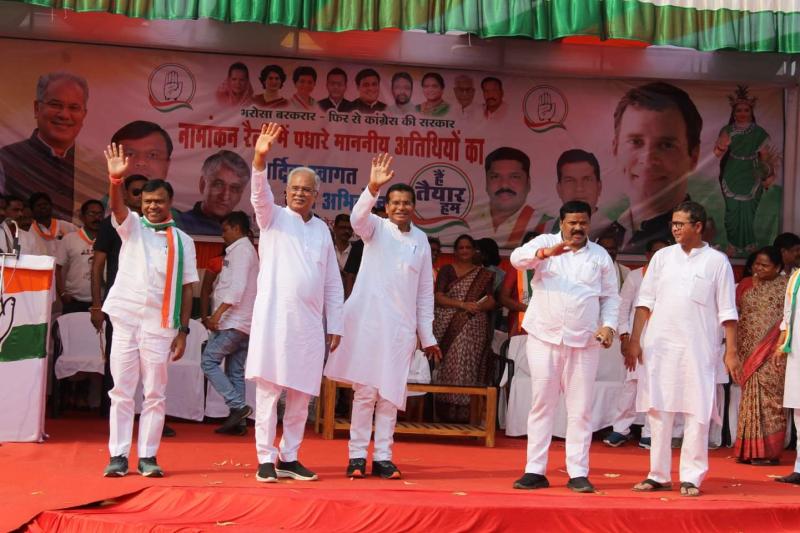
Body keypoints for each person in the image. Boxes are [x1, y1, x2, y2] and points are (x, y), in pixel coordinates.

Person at [325, 153, 441, 479]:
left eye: (407, 203)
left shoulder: (420, 241)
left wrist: (427, 336)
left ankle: (385, 457)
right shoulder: (375, 228)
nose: (401, 207)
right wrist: (373, 186)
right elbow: (358, 217)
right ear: (386, 207)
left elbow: (423, 294)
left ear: (414, 207)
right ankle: (357, 456)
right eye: (395, 202)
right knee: (365, 393)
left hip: (400, 331)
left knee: (391, 396)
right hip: (369, 325)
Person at [245, 123, 344, 483]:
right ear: (285, 192)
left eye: (307, 190)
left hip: (308, 326)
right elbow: (258, 194)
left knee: (301, 395)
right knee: (269, 392)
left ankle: (290, 456)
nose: (300, 194)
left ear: (316, 195)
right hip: (275, 321)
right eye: (294, 189)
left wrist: (336, 325)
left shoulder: (321, 230)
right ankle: (265, 459)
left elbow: (333, 281)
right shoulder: (273, 218)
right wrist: (260, 157)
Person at [626, 201, 739, 497]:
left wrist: (731, 352)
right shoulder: (662, 258)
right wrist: (635, 340)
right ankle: (658, 474)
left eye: (680, 224)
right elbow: (644, 302)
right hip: (660, 346)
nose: (674, 229)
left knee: (696, 412)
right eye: (673, 224)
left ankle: (692, 476)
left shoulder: (717, 262)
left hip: (699, 349)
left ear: (698, 226)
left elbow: (728, 312)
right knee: (658, 411)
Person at [101, 144, 198, 478]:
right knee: (122, 390)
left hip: (161, 324)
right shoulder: (132, 227)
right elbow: (116, 209)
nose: (152, 206)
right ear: (139, 204)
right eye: (147, 201)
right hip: (127, 318)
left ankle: (147, 456)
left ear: (169, 203)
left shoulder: (184, 240)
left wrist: (183, 330)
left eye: (158, 201)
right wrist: (116, 180)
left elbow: (188, 287)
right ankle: (117, 455)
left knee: (155, 392)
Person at [509, 201, 620, 494]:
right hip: (544, 337)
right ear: (561, 222)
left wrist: (608, 325)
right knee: (542, 404)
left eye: (583, 222)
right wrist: (545, 254)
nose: (578, 227)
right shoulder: (545, 243)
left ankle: (578, 472)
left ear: (589, 222)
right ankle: (534, 470)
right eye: (572, 222)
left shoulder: (600, 256)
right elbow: (517, 260)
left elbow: (610, 297)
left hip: (584, 342)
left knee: (580, 409)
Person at [608, 82, 702, 254]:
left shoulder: (698, 239)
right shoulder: (606, 234)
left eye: (666, 145)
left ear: (693, 157)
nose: (648, 159)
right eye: (636, 142)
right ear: (615, 148)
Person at [603, 238, 669, 448]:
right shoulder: (635, 276)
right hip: (636, 339)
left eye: (664, 252)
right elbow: (622, 309)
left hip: (662, 340)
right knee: (631, 384)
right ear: (648, 255)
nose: (660, 257)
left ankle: (649, 432)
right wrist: (624, 336)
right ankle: (620, 428)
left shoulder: (676, 277)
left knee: (656, 386)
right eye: (656, 252)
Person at [0, 71, 90, 221]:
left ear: (84, 115)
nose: (64, 115)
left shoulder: (92, 165)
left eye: (74, 107)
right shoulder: (7, 159)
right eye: (55, 105)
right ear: (37, 108)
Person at [201, 211, 258, 437]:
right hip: (243, 321)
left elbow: (236, 289)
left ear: (236, 228)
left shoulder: (242, 251)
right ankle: (239, 423)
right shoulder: (245, 250)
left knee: (208, 361)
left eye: (225, 230)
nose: (222, 235)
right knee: (235, 371)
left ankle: (238, 406)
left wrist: (216, 315)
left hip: (234, 321)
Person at [733, 246, 788, 464]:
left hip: (775, 351)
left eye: (765, 265)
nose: (759, 269)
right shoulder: (745, 285)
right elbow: (736, 314)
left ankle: (770, 453)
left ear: (778, 267)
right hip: (748, 352)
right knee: (749, 399)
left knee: (771, 401)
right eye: (756, 264)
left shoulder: (786, 287)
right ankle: (748, 450)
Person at [433, 234, 495, 422]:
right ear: (455, 251)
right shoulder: (447, 270)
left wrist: (478, 306)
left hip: (475, 325)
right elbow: (439, 297)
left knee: (471, 366)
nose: (465, 251)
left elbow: (491, 300)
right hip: (449, 323)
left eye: (469, 247)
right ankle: (447, 413)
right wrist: (463, 305)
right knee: (451, 366)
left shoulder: (483, 274)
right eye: (461, 248)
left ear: (474, 250)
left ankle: (469, 414)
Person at [714, 86, 779, 256]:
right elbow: (717, 153)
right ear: (734, 113)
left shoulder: (759, 132)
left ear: (751, 112)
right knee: (732, 211)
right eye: (739, 110)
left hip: (752, 172)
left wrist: (766, 173)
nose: (742, 113)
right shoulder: (727, 130)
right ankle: (733, 244)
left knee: (749, 211)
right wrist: (722, 145)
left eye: (746, 110)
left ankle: (749, 243)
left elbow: (765, 157)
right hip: (732, 171)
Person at [469, 146, 541, 250]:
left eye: (514, 177)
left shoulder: (545, 223)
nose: (504, 185)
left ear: (528, 183)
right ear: (486, 182)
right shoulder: (469, 218)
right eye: (495, 177)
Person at [545, 149, 613, 241]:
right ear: (559, 189)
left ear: (599, 187)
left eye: (587, 179)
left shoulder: (613, 229)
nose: (579, 188)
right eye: (570, 180)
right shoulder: (546, 230)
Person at [178, 150, 250, 235]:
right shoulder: (180, 226)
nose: (225, 196)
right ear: (203, 185)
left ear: (241, 194)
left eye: (234, 188)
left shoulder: (243, 232)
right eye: (218, 184)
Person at [774, 267, 800, 485]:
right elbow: (788, 315)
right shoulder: (796, 277)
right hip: (798, 352)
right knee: (799, 411)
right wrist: (782, 342)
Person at [55, 199, 104, 314]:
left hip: (103, 301)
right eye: (91, 214)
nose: (96, 218)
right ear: (82, 216)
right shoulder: (69, 239)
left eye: (100, 214)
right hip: (74, 302)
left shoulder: (109, 239)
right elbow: (57, 269)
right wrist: (62, 293)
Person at [499, 231, 538, 335]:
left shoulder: (549, 269)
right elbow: (503, 298)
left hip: (544, 325)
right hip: (520, 325)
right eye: (530, 246)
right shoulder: (517, 267)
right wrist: (528, 308)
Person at [28, 192, 78, 257]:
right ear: (32, 210)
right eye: (39, 205)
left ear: (51, 206)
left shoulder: (67, 226)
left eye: (45, 204)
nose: (43, 207)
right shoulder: (29, 231)